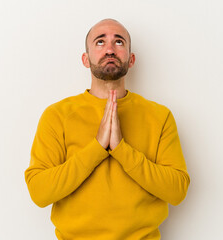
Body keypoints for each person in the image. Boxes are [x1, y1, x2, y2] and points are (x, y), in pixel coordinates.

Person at [24, 18, 190, 240]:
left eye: (119, 42)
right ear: (86, 59)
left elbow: (177, 191)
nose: (110, 49)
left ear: (131, 60)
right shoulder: (57, 115)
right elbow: (39, 192)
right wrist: (97, 148)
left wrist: (121, 149)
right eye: (100, 42)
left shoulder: (160, 116)